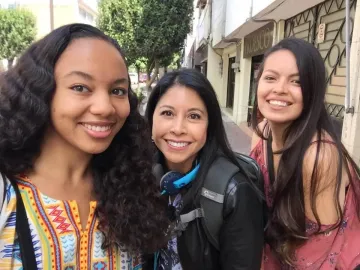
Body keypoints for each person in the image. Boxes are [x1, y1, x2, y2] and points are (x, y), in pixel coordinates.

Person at [0, 23, 169, 269]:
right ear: (40, 91)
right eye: (80, 87)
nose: (105, 107)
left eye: (117, 90)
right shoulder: (7, 191)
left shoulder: (130, 187)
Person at [250, 37, 360, 269]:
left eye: (297, 82)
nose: (279, 89)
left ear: (313, 93)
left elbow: (316, 258)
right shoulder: (262, 132)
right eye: (270, 78)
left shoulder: (318, 157)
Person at [144, 69, 264, 270]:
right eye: (167, 113)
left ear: (209, 125)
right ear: (152, 119)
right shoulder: (140, 175)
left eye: (193, 116)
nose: (178, 128)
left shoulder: (235, 191)